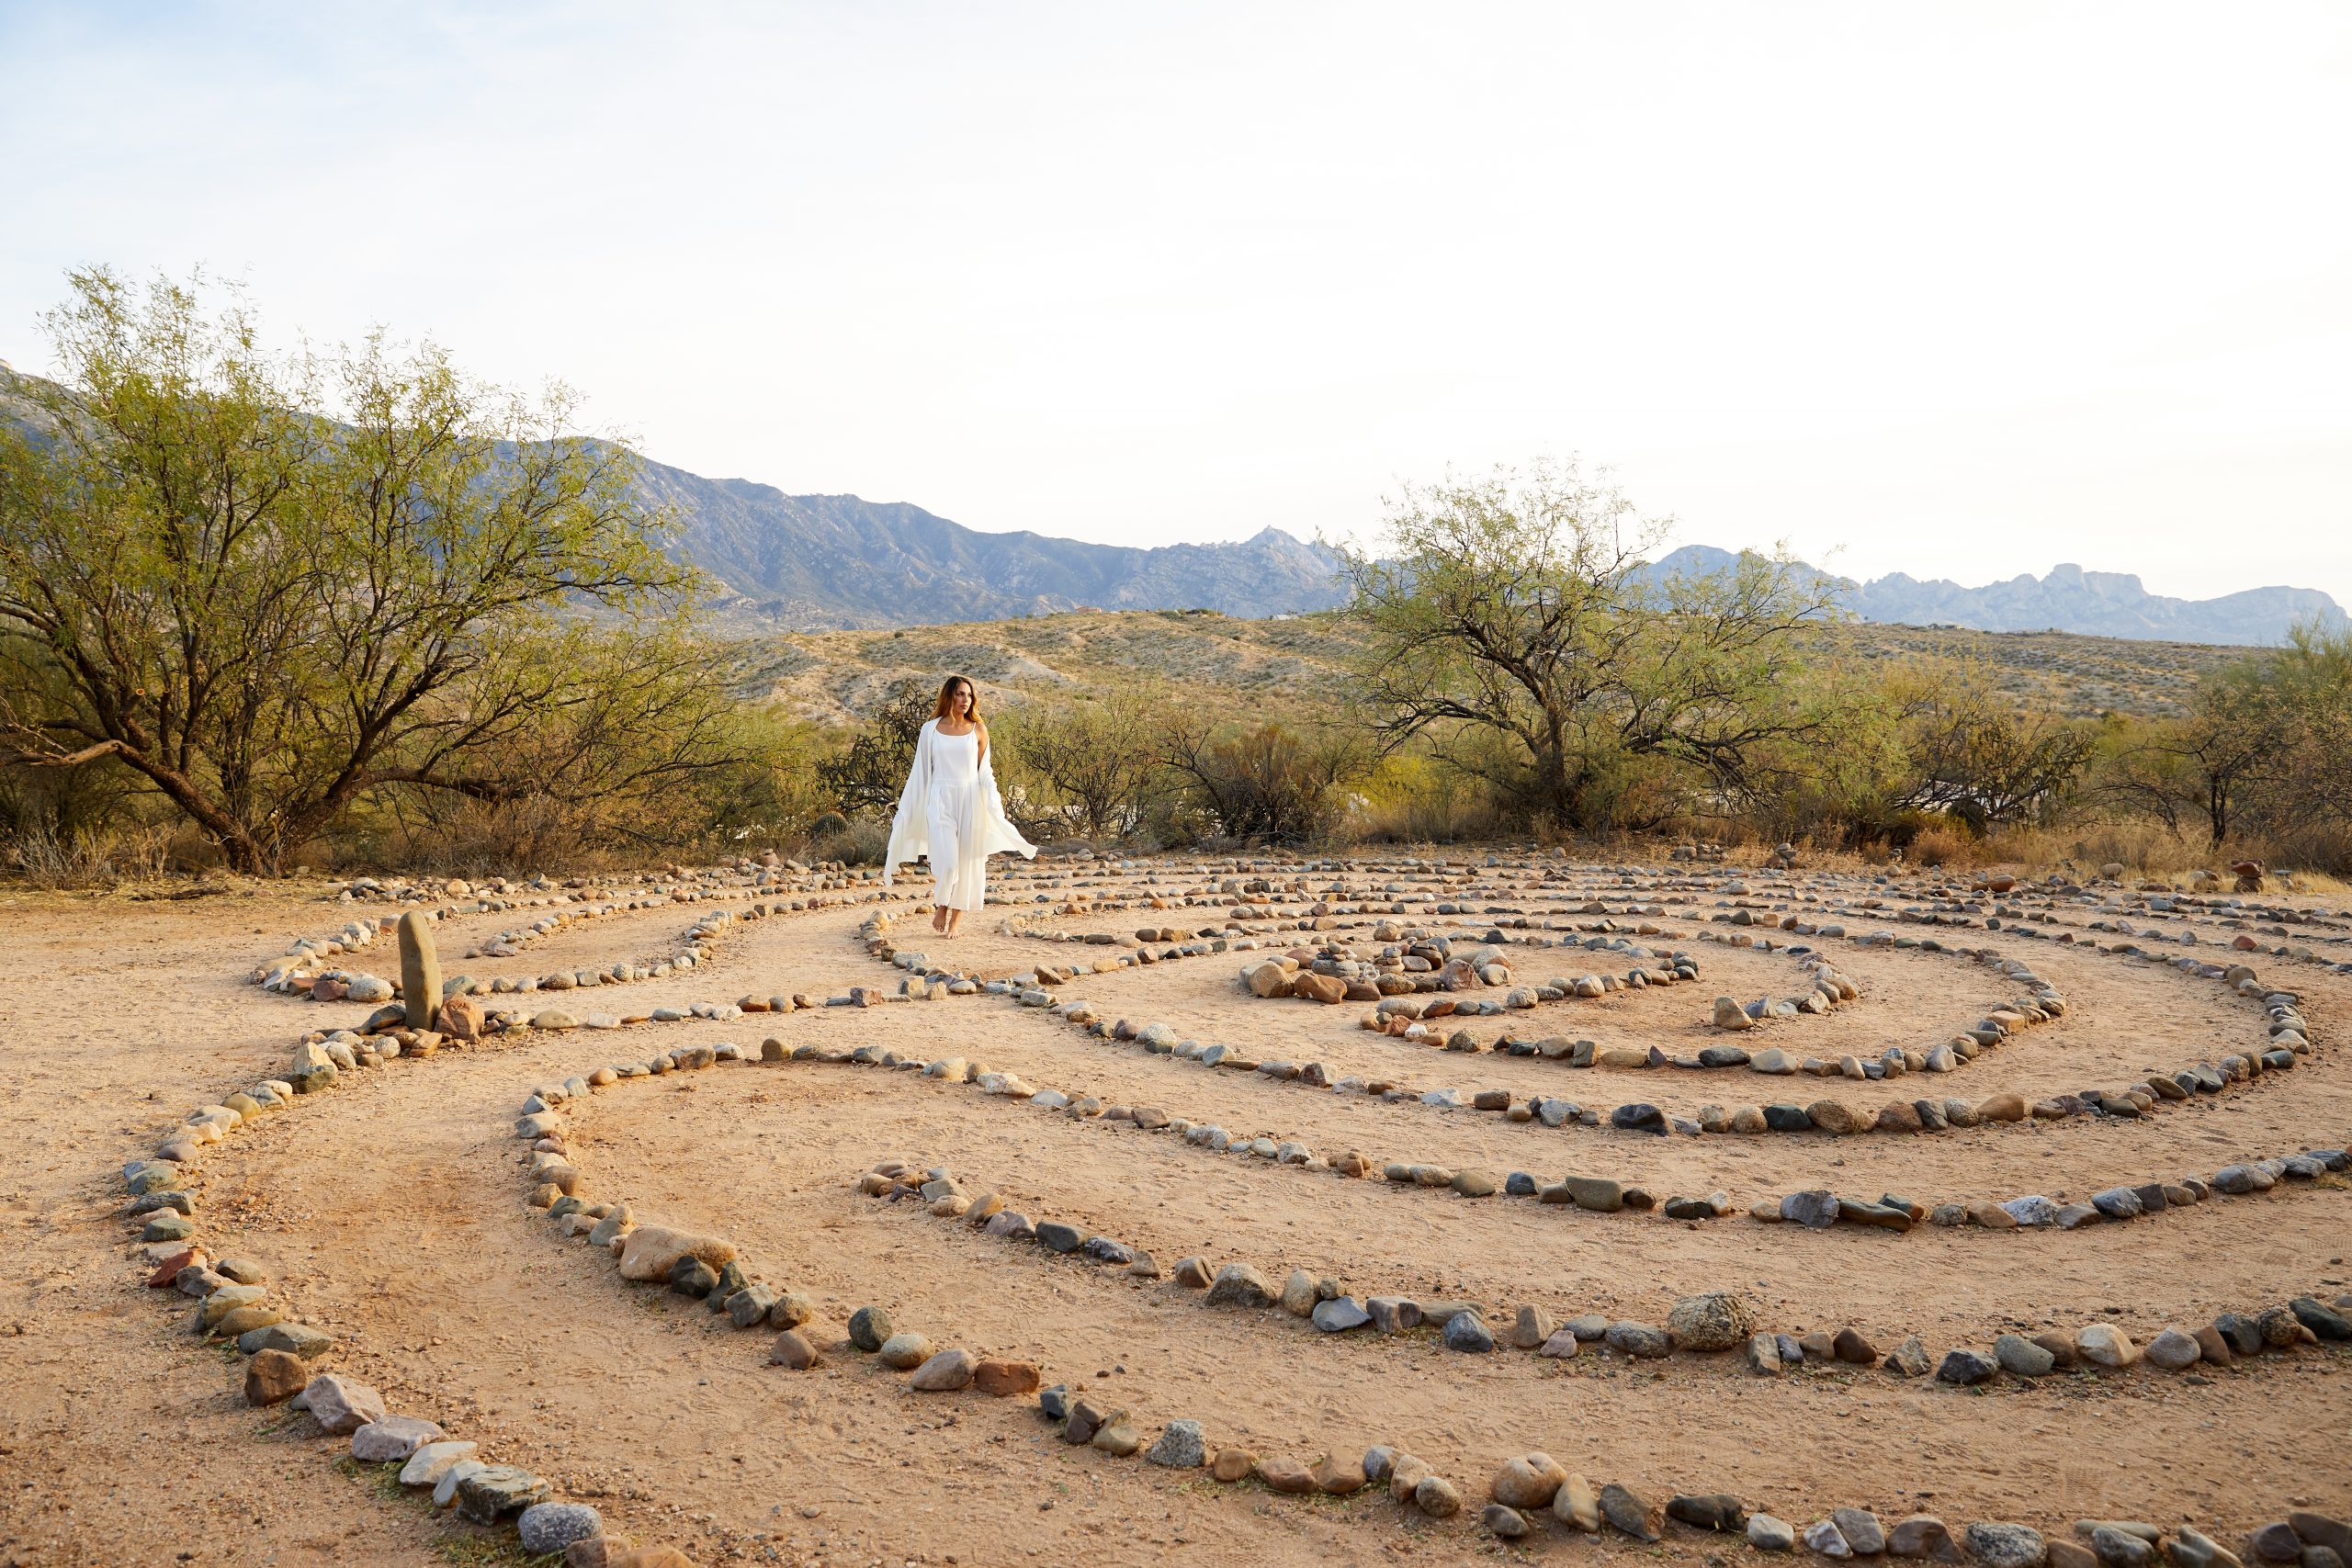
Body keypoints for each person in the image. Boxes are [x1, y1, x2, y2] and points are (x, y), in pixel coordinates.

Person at [882, 674, 1035, 935]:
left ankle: (955, 920)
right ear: (949, 696)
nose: (965, 700)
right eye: (960, 694)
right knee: (948, 861)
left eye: (969, 695)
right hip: (940, 798)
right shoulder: (930, 730)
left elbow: (984, 771)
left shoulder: (978, 730)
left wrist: (993, 801)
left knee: (967, 862)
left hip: (970, 798)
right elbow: (919, 771)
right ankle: (942, 902)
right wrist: (907, 808)